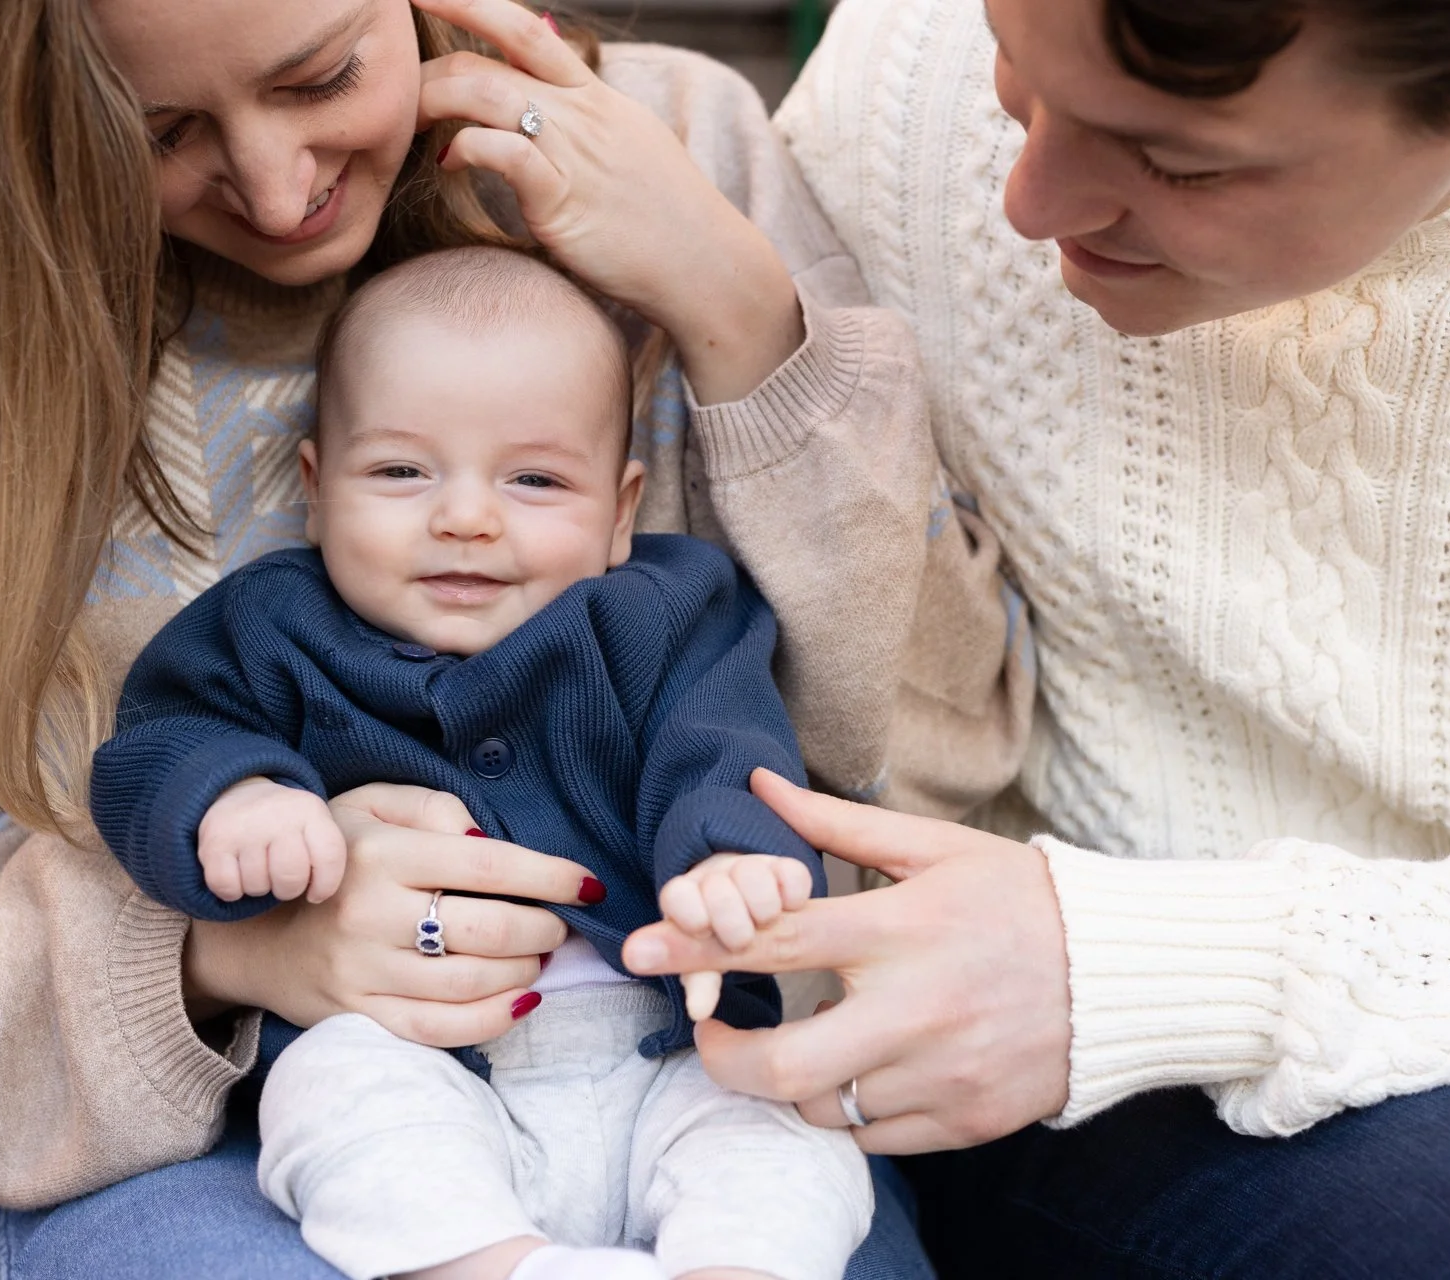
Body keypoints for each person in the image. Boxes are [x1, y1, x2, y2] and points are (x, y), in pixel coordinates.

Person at [0, 0, 1027, 1274]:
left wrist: (738, 312)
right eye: (157, 130)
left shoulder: (679, 141)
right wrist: (223, 945)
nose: (274, 186)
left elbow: (943, 764)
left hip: (700, 1066)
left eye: (323, 77)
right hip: (233, 1131)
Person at [613, 0, 1450, 1275]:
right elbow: (845, 684)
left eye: (1180, 162)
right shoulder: (902, 63)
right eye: (1016, 78)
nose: (1029, 202)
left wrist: (1141, 962)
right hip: (937, 1052)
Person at [90, 245, 872, 1280]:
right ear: (317, 490)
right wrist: (230, 795)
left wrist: (732, 859)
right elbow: (157, 740)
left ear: (621, 510)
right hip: (418, 1055)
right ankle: (494, 1265)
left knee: (786, 1127)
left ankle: (732, 1266)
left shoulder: (663, 615)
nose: (465, 515)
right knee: (334, 1097)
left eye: (536, 478)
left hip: (668, 1048)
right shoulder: (270, 625)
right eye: (402, 470)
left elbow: (724, 743)